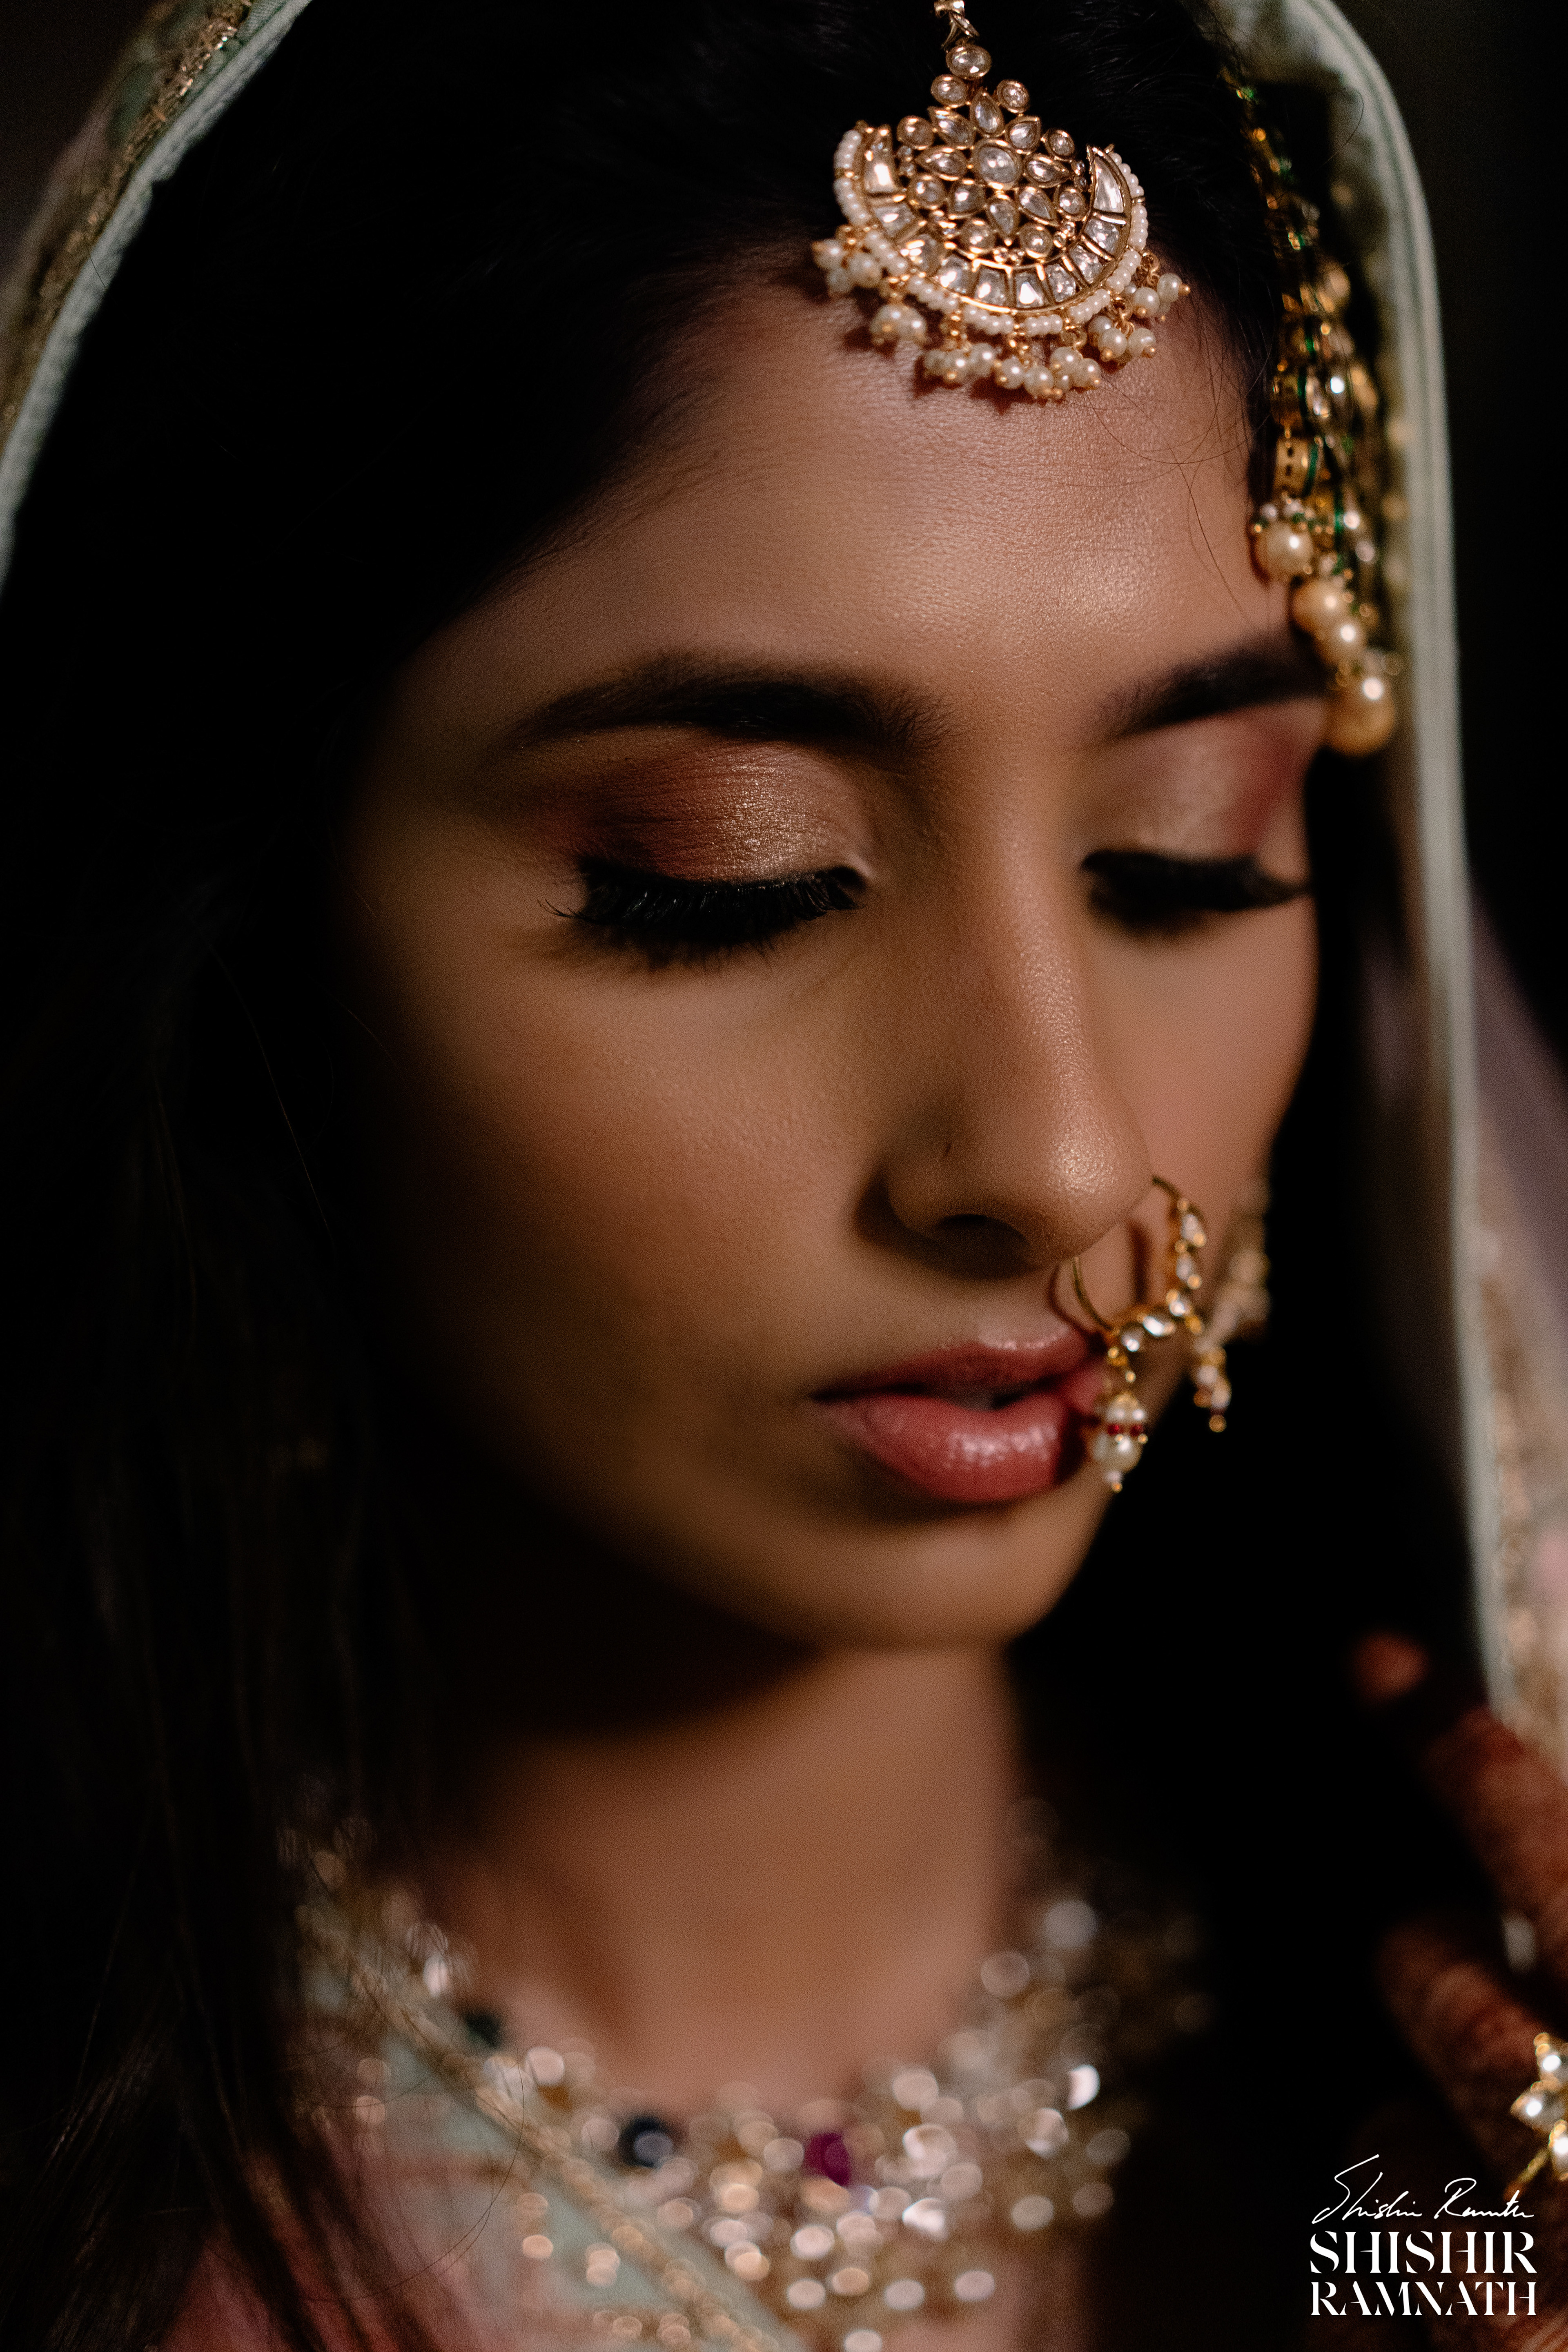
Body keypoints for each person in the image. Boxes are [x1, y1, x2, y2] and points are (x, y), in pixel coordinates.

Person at [2, 0, 1565, 2344]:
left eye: (1183, 861)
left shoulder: (1423, 2130)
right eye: (724, 881)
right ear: (245, 932)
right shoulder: (95, 2218)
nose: (1052, 1159)